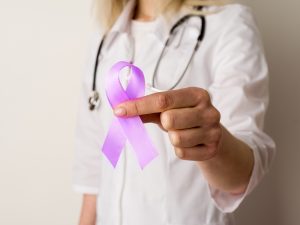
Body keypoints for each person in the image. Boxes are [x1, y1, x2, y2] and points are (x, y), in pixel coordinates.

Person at [72, 0, 276, 225]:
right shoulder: (104, 36)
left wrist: (212, 145)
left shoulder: (228, 23)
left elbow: (241, 176)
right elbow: (94, 169)